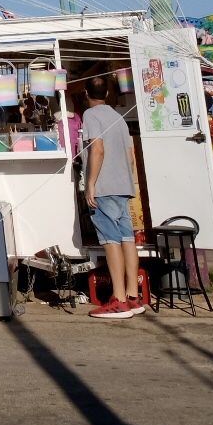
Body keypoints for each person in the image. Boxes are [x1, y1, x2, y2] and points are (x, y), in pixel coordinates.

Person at [80, 77, 143, 319]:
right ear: (107, 92)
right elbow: (130, 154)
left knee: (110, 241)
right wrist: (128, 180)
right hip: (123, 184)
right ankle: (132, 295)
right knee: (127, 239)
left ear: (86, 93)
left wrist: (91, 184)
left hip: (105, 186)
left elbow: (97, 148)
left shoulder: (90, 115)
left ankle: (118, 298)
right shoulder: (119, 117)